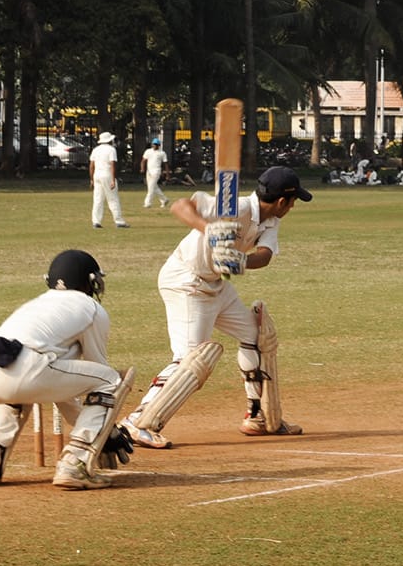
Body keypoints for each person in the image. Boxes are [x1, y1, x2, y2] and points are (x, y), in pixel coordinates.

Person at [118, 166, 313, 447]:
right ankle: (135, 422)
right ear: (282, 201)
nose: (293, 206)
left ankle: (257, 416)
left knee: (257, 337)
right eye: (293, 201)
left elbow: (265, 255)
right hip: (187, 281)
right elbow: (181, 206)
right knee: (189, 359)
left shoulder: (271, 221)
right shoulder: (235, 207)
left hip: (217, 285)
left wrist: (239, 261)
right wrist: (210, 229)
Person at [0, 250, 133, 491]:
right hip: (28, 369)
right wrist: (105, 429)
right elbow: (97, 372)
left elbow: (62, 387)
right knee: (111, 379)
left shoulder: (37, 303)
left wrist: (96, 424)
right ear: (90, 280)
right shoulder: (91, 308)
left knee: (19, 387)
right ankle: (75, 462)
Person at [90, 131, 129, 229]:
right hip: (107, 174)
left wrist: (91, 179)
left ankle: (96, 221)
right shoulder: (111, 150)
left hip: (97, 175)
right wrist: (113, 179)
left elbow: (91, 165)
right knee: (113, 198)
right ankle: (119, 221)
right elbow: (112, 164)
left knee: (98, 199)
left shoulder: (96, 150)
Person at [142, 139, 170, 209]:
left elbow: (166, 164)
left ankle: (147, 203)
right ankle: (164, 199)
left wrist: (167, 174)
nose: (154, 146)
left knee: (151, 188)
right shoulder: (148, 151)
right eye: (154, 144)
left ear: (159, 145)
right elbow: (143, 160)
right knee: (154, 187)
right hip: (149, 172)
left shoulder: (162, 153)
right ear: (152, 144)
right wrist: (142, 168)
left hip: (156, 172)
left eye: (156, 144)